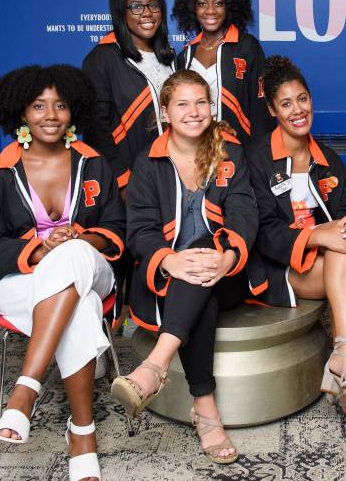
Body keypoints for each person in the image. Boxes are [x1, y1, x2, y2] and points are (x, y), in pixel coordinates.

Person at [0, 65, 125, 481]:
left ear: (74, 112)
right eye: (39, 106)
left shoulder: (93, 164)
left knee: (72, 254)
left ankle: (25, 391)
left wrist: (79, 241)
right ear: (21, 112)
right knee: (83, 307)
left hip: (92, 266)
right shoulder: (1, 173)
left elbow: (118, 231)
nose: (51, 115)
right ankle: (82, 434)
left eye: (60, 105)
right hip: (22, 281)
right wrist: (38, 249)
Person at [111, 69, 257, 464]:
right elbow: (138, 230)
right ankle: (205, 409)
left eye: (201, 102)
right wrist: (171, 260)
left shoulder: (231, 153)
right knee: (197, 292)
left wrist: (227, 257)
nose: (194, 112)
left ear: (211, 107)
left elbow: (245, 214)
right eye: (182, 104)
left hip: (226, 273)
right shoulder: (149, 162)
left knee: (205, 255)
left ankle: (154, 367)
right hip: (166, 277)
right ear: (164, 112)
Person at [246, 56, 346, 422]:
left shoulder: (328, 159)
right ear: (272, 109)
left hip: (329, 262)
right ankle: (344, 362)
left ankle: (342, 360)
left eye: (303, 99)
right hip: (277, 268)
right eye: (287, 103)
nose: (298, 110)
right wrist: (317, 235)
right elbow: (259, 231)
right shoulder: (256, 160)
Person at [83, 0, 176, 192]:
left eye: (153, 5)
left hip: (172, 174)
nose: (147, 13)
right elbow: (96, 130)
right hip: (130, 180)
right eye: (136, 7)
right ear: (121, 13)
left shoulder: (170, 57)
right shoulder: (102, 58)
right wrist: (122, 181)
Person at [173, 0, 272, 145]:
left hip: (239, 149)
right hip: (195, 149)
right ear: (192, 9)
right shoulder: (185, 56)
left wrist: (261, 154)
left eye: (218, 3)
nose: (210, 10)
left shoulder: (246, 46)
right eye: (202, 3)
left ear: (229, 7)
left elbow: (260, 108)